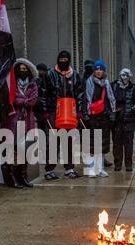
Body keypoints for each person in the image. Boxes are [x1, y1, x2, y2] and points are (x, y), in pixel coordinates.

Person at [41, 50, 83, 180]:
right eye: (61, 59)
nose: (63, 62)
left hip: (70, 111)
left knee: (69, 140)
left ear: (69, 60)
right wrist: (45, 111)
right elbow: (43, 93)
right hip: (54, 111)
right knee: (53, 140)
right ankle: (49, 170)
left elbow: (80, 95)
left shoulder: (75, 76)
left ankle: (69, 168)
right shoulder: (50, 74)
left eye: (65, 60)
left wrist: (79, 111)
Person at [1, 58, 38, 188]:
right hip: (13, 120)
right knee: (12, 149)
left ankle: (22, 176)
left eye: (25, 69)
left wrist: (21, 100)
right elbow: (13, 99)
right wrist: (24, 101)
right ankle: (11, 179)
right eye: (20, 69)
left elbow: (33, 101)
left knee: (24, 149)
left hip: (27, 121)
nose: (23, 71)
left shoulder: (33, 85)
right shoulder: (11, 84)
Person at [83, 60, 116, 177]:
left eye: (101, 69)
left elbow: (110, 100)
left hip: (104, 118)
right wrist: (86, 115)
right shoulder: (88, 83)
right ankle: (90, 169)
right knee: (92, 145)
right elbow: (85, 100)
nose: (98, 71)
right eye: (96, 69)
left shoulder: (107, 84)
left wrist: (112, 114)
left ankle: (99, 168)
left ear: (104, 71)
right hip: (92, 117)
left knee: (102, 145)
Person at [111, 68, 135, 172]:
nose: (125, 78)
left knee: (128, 144)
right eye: (123, 75)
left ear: (130, 77)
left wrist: (132, 110)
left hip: (129, 120)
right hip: (117, 120)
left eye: (127, 76)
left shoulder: (133, 88)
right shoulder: (114, 86)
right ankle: (117, 164)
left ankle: (128, 164)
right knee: (117, 144)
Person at [35, 63, 48, 130]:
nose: (41, 72)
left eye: (42, 70)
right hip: (37, 106)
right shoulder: (35, 80)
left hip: (44, 106)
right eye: (39, 70)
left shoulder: (47, 79)